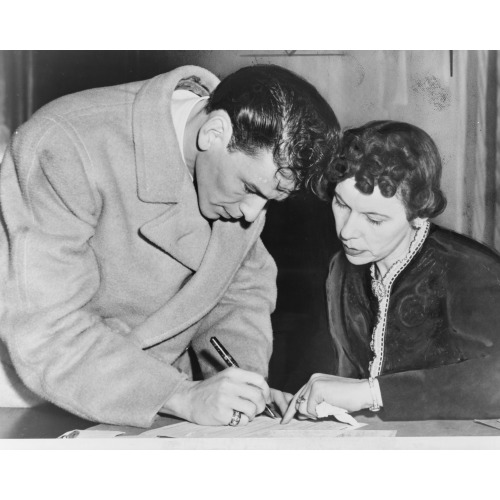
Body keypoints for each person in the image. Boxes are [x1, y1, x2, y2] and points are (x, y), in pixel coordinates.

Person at [0, 64, 340, 428]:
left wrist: (242, 386)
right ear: (214, 131)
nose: (251, 214)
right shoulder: (65, 142)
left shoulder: (242, 168)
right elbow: (48, 332)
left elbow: (239, 291)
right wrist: (178, 395)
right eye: (251, 190)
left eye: (270, 200)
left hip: (148, 397)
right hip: (37, 392)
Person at [282, 120, 500, 423]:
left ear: (418, 212)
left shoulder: (468, 269)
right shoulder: (342, 271)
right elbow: (349, 378)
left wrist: (370, 393)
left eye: (374, 219)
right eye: (342, 204)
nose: (347, 232)